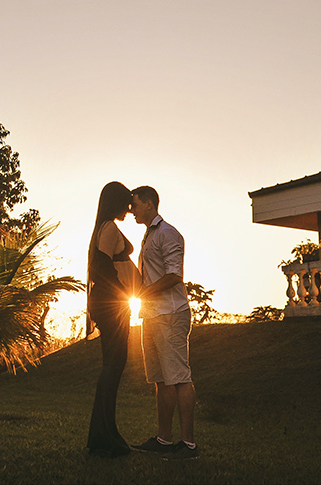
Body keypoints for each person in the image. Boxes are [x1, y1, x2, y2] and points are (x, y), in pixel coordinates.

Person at [130, 185, 198, 459]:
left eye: (135, 205)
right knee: (161, 380)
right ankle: (164, 440)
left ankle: (188, 445)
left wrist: (142, 293)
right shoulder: (149, 235)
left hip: (170, 314)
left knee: (179, 378)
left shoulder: (168, 233)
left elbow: (174, 276)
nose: (131, 210)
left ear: (149, 203)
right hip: (151, 314)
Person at [86, 181, 139, 457]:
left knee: (114, 366)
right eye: (126, 204)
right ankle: (103, 436)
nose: (129, 210)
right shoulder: (108, 228)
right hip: (111, 305)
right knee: (112, 366)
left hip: (113, 304)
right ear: (115, 202)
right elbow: (101, 267)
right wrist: (121, 293)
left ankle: (106, 434)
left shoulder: (107, 227)